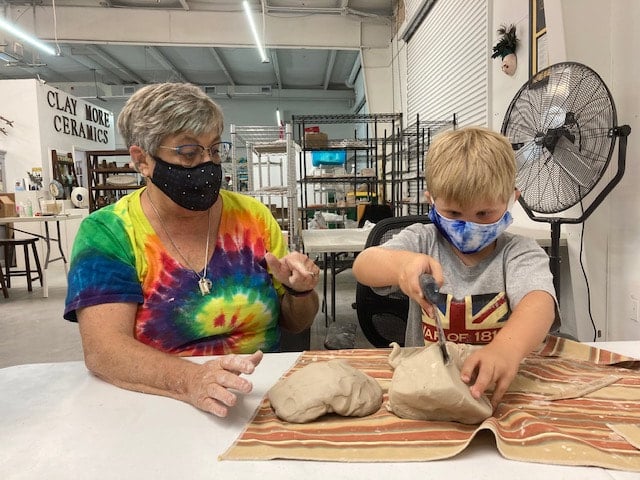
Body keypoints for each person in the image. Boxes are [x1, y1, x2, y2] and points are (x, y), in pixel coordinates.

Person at [64, 82, 320, 417]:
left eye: (214, 151)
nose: (207, 164)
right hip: (159, 401)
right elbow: (104, 351)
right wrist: (191, 380)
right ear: (142, 160)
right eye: (188, 153)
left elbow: (295, 324)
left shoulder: (253, 218)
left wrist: (299, 292)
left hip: (260, 396)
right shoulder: (109, 233)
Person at [352, 126, 557, 409]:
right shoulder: (422, 240)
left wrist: (506, 349)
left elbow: (540, 304)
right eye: (453, 213)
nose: (468, 225)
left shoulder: (519, 252)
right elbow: (364, 265)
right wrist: (402, 265)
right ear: (431, 200)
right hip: (426, 384)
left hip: (493, 388)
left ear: (512, 199)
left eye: (484, 213)